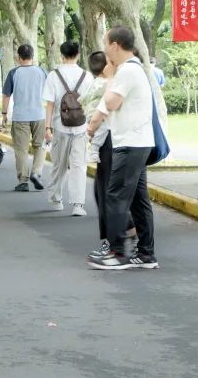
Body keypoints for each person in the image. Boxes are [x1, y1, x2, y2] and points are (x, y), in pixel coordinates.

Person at [86, 26, 158, 270]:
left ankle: (118, 253)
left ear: (115, 45)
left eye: (106, 44)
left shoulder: (127, 70)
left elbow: (111, 102)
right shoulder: (133, 68)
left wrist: (109, 79)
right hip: (138, 142)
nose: (105, 50)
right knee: (138, 200)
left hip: (130, 144)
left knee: (115, 196)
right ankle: (146, 254)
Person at [83, 51, 138, 261]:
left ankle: (115, 243)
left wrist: (90, 129)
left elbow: (104, 108)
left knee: (106, 192)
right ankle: (127, 233)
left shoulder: (112, 83)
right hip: (117, 141)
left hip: (110, 140)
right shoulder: (115, 80)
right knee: (106, 191)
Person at [42, 41, 93, 216]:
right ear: (78, 54)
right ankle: (78, 205)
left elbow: (49, 104)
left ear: (62, 55)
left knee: (58, 165)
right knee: (79, 166)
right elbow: (91, 104)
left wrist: (47, 127)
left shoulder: (53, 75)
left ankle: (56, 199)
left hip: (59, 126)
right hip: (81, 127)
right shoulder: (87, 76)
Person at [1, 43, 47, 192]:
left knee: (21, 149)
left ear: (18, 57)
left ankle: (23, 181)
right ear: (32, 57)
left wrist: (4, 114)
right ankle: (37, 173)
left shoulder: (13, 73)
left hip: (20, 116)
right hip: (39, 115)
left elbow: (6, 95)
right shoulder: (42, 71)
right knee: (40, 146)